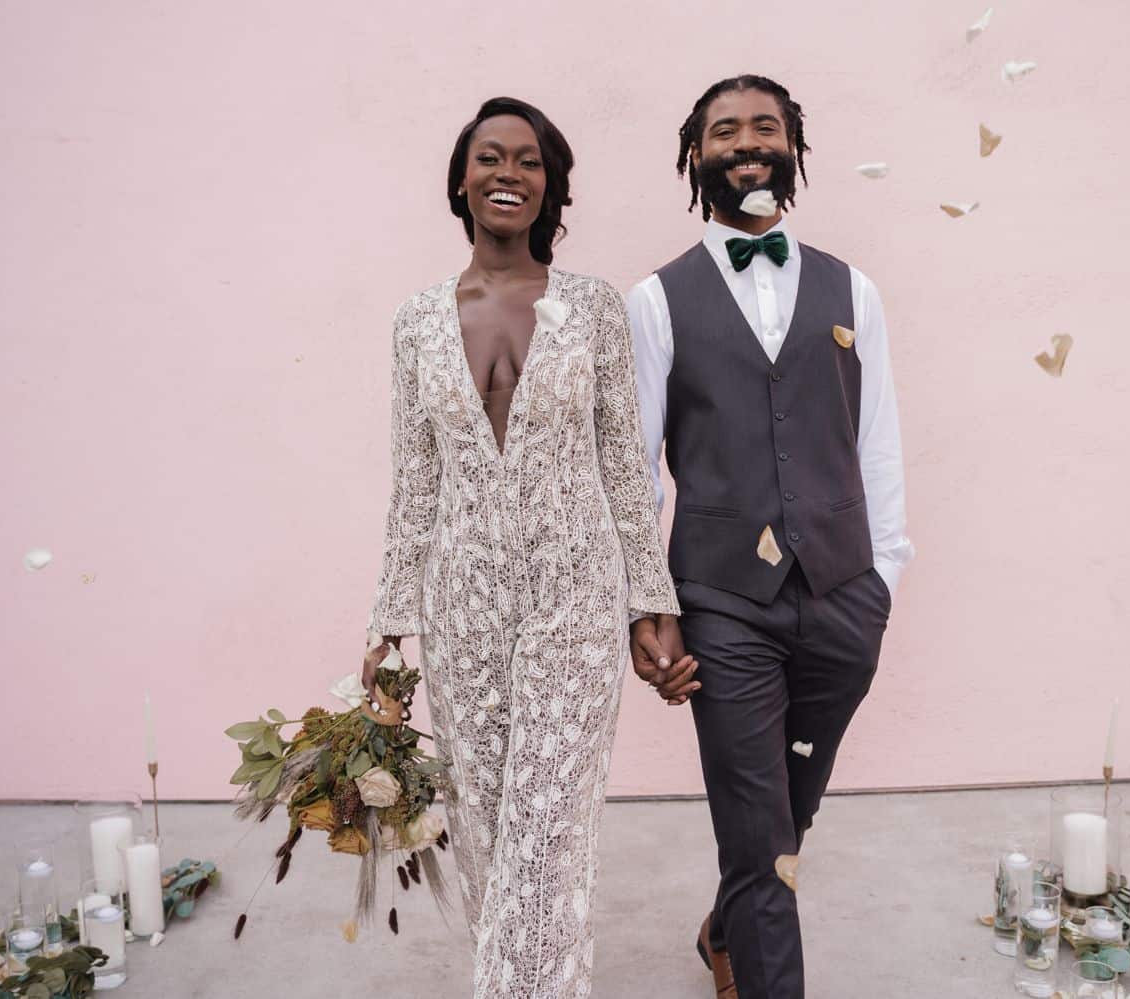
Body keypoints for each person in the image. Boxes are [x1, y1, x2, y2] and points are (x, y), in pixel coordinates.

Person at [366, 96, 692, 999]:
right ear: (460, 182)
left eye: (529, 161)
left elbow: (625, 465)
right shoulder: (416, 321)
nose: (508, 173)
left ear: (550, 187)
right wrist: (389, 622)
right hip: (460, 611)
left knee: (548, 833)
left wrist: (650, 601)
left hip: (574, 600)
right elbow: (415, 483)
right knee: (483, 833)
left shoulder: (592, 308)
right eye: (490, 157)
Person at [626, 75, 916, 998]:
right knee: (756, 833)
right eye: (725, 131)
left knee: (788, 812)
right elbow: (634, 470)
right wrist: (647, 605)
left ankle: (724, 926)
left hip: (843, 594)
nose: (746, 143)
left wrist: (882, 579)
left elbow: (877, 440)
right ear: (696, 154)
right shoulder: (656, 300)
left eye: (765, 127)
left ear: (793, 147)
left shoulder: (853, 289)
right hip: (721, 603)